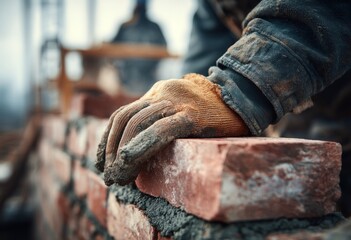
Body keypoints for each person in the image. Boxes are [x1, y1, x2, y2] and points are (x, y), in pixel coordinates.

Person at [96, 0, 351, 217]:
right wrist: (191, 97)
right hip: (299, 129)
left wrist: (237, 90)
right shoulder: (214, 5)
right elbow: (203, 57)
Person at [111, 0, 167, 94]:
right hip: (126, 77)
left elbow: (164, 48)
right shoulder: (125, 27)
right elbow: (112, 46)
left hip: (149, 78)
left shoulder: (155, 27)